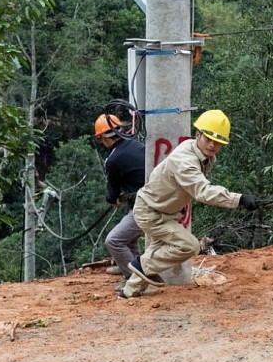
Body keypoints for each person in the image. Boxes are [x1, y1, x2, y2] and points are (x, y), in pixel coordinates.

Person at [119, 109, 261, 299]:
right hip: (152, 212)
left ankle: (127, 293)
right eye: (208, 138)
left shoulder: (201, 153)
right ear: (198, 134)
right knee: (189, 246)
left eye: (218, 142)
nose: (212, 145)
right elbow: (202, 191)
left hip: (164, 211)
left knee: (156, 252)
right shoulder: (185, 161)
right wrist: (239, 199)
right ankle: (141, 265)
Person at [94, 114, 146, 287]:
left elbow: (113, 193)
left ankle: (135, 278)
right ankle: (129, 264)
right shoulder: (136, 144)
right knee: (128, 237)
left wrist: (114, 200)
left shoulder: (113, 159)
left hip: (147, 206)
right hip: (151, 199)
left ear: (103, 138)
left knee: (114, 240)